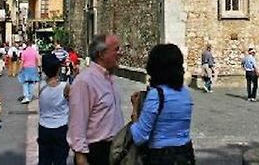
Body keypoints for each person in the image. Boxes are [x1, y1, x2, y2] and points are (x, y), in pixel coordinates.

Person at [130, 43, 195, 165]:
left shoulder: (157, 95)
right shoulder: (186, 94)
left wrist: (135, 110)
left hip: (160, 157)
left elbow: (139, 137)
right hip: (185, 155)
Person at [67, 34, 124, 165]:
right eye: (116, 49)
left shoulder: (108, 78)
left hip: (114, 150)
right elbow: (77, 122)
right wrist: (81, 157)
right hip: (96, 153)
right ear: (102, 54)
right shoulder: (85, 81)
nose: (120, 53)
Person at [38, 53, 70, 165]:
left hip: (44, 126)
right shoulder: (65, 86)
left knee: (44, 159)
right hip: (61, 127)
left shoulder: (40, 86)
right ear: (58, 69)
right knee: (60, 160)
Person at [18, 40, 41, 104]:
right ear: (31, 45)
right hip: (33, 68)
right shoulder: (34, 52)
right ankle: (30, 96)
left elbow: (22, 62)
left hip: (26, 68)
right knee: (31, 83)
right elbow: (38, 60)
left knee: (25, 83)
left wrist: (19, 69)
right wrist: (39, 67)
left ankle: (26, 96)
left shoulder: (24, 52)